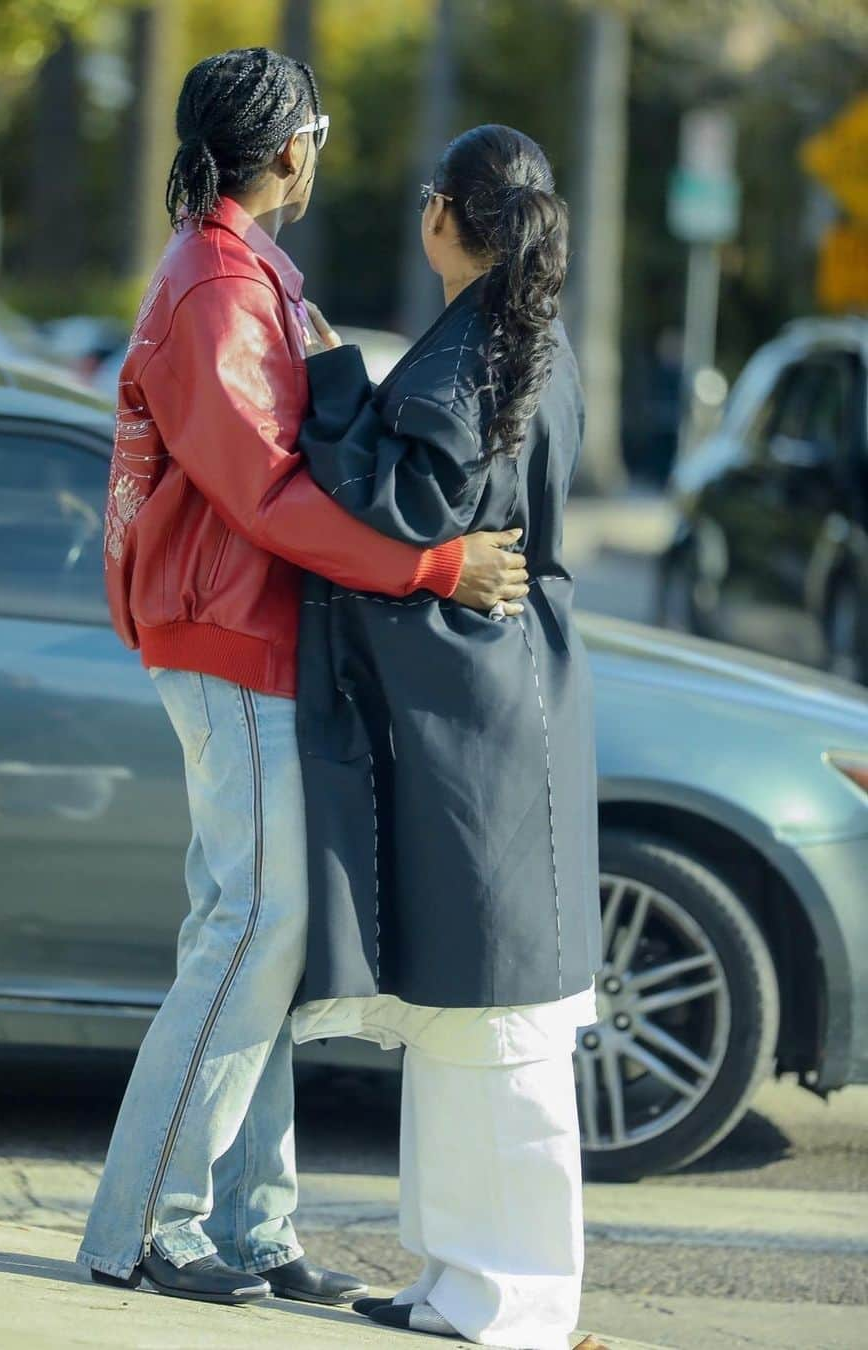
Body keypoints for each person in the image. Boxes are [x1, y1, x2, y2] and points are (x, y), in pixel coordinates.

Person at [78, 50, 530, 1310]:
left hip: (244, 635)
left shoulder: (245, 269)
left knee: (256, 942)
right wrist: (435, 564)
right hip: (228, 638)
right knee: (252, 934)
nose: (321, 150)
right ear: (289, 150)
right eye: (318, 131)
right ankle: (143, 1228)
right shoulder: (221, 285)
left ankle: (254, 1230)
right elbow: (265, 493)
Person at [289, 125, 605, 1350]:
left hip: (480, 707)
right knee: (474, 1011)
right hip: (510, 696)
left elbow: (402, 500)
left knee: (497, 1015)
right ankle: (455, 1281)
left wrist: (329, 386)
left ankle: (506, 1300)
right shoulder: (525, 341)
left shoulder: (471, 349)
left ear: (445, 219)